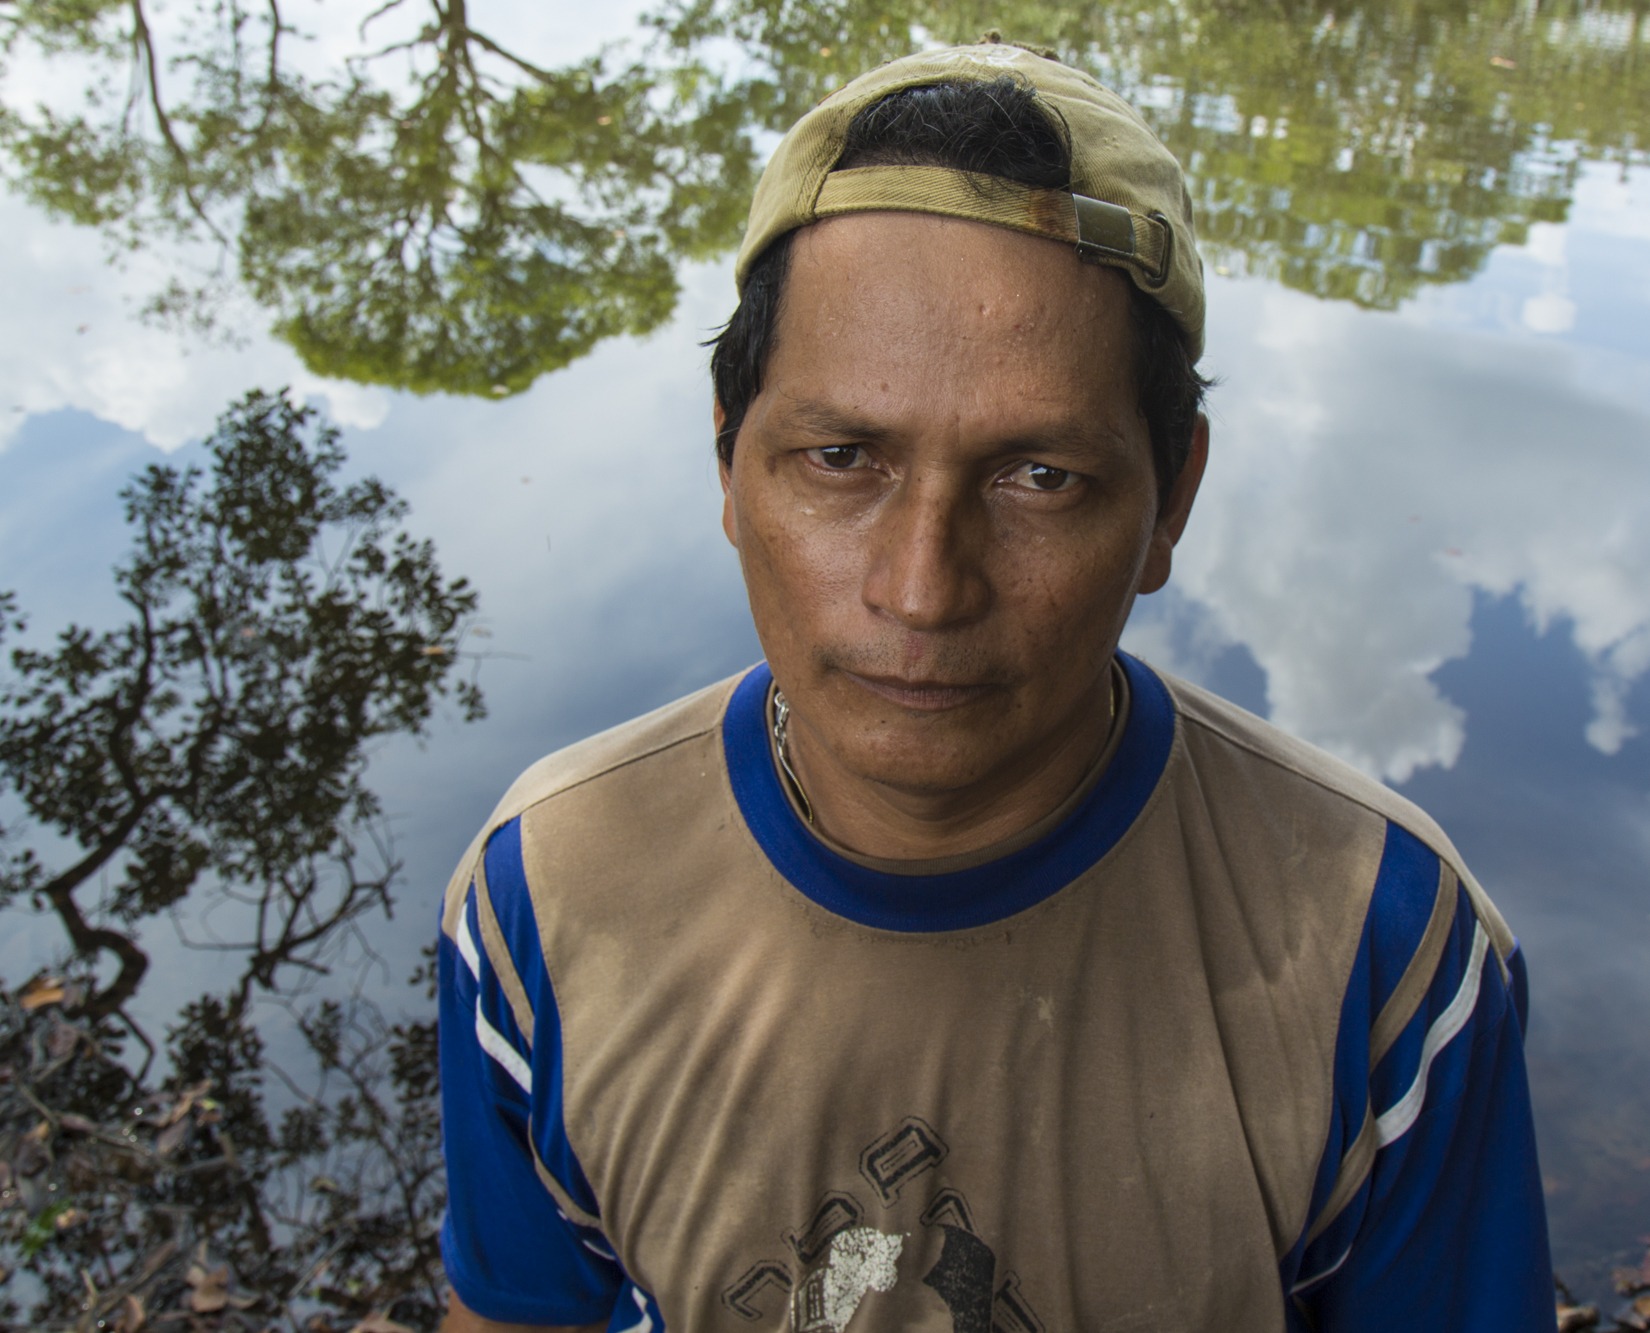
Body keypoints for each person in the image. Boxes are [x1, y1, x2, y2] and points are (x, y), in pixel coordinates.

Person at [434, 36, 1552, 1333]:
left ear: (1169, 500)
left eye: (1040, 477)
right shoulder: (548, 896)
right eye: (842, 454)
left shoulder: (1384, 945)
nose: (922, 589)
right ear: (730, 459)